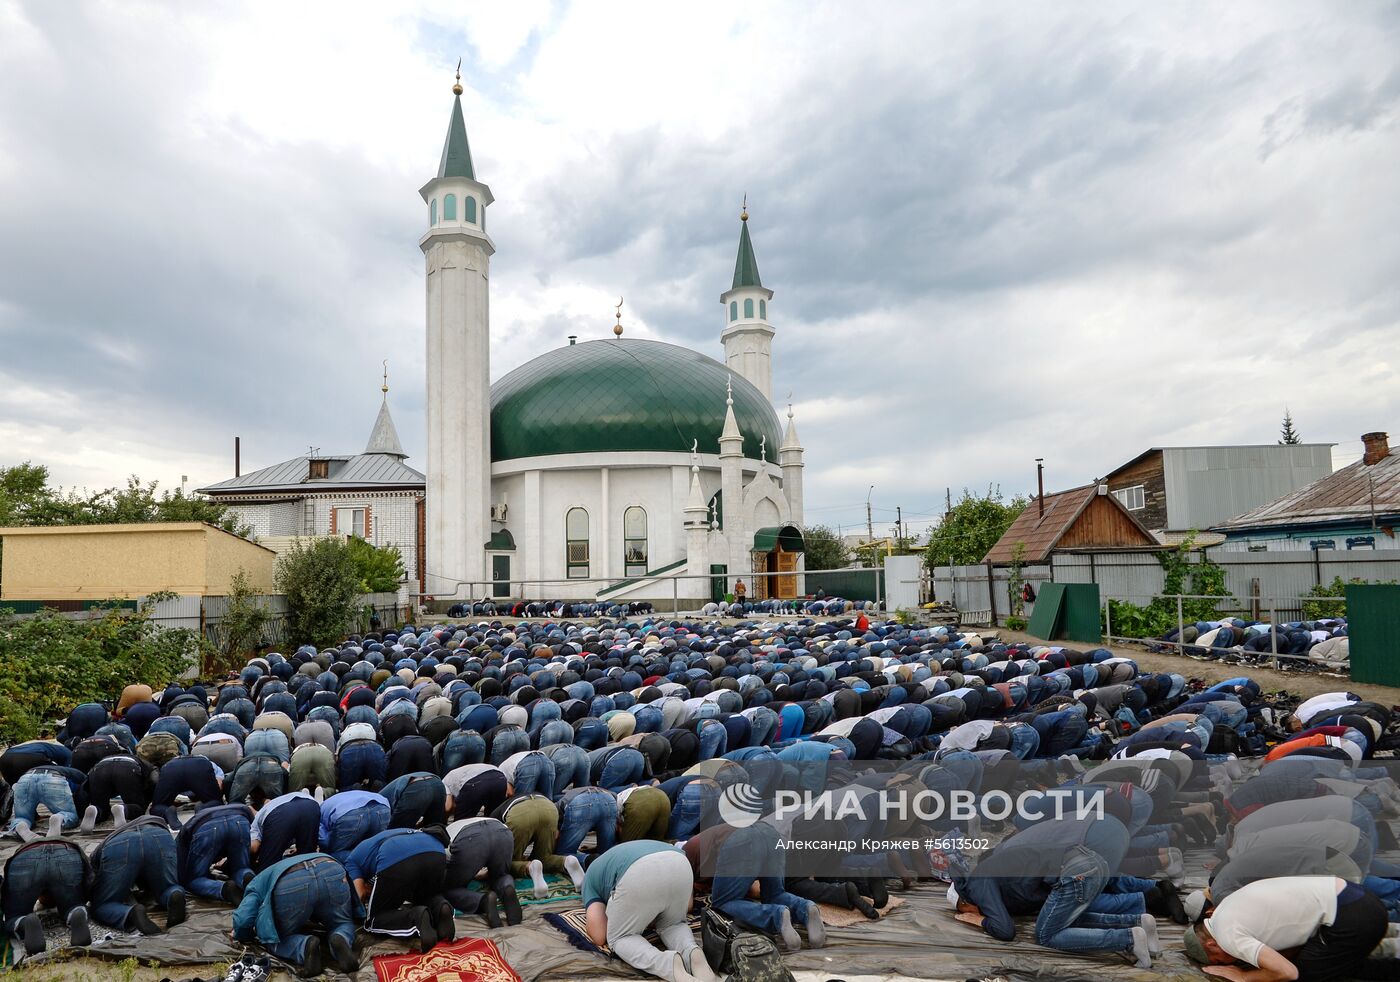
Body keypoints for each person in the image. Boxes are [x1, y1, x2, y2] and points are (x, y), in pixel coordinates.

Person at [1185, 876, 1394, 982]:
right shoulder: (1224, 910)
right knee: (1325, 965)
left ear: (1211, 944)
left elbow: (1288, 972)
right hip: (1357, 899)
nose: (1229, 962)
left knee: (1303, 976)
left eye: (1219, 961)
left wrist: (1243, 976)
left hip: (1352, 915)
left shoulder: (1227, 935)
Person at [582, 839, 717, 982]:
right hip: (680, 862)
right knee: (674, 924)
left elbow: (599, 935)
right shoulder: (623, 851)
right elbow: (688, 906)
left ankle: (668, 964)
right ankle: (693, 954)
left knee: (620, 938)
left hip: (639, 872)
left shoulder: (590, 876)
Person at [684, 822, 824, 951]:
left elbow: (687, 905)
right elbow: (752, 889)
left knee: (722, 904)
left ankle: (776, 916)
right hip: (769, 833)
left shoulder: (685, 854)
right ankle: (806, 908)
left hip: (742, 841)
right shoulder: (705, 846)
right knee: (775, 894)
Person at [232, 853, 362, 976]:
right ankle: (341, 937)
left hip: (290, 882)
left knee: (276, 940)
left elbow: (243, 920)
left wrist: (243, 935)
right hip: (330, 866)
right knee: (342, 923)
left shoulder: (254, 885)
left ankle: (304, 946)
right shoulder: (272, 870)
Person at [344, 827, 454, 953]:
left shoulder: (351, 862)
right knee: (425, 896)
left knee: (374, 920)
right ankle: (441, 909)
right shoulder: (371, 844)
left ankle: (416, 918)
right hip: (435, 849)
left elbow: (360, 894)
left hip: (395, 855)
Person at [88, 812, 187, 934]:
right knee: (168, 886)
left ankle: (130, 913)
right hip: (160, 835)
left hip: (119, 845)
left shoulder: (97, 855)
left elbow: (94, 882)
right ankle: (173, 893)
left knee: (102, 905)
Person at [493, 792, 585, 898]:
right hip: (549, 808)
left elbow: (498, 844)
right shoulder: (514, 800)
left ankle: (529, 867)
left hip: (520, 814)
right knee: (544, 857)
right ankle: (567, 861)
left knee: (508, 862)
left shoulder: (493, 818)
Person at [443, 817, 521, 927]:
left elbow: (447, 864)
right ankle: (507, 887)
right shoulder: (456, 826)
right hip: (502, 832)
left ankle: (483, 901)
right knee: (500, 876)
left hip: (469, 839)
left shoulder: (442, 837)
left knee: (450, 888)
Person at [177, 801, 256, 902]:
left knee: (194, 880)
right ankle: (248, 879)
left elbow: (181, 865)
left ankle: (223, 889)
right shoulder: (241, 808)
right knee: (241, 868)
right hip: (240, 820)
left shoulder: (184, 834)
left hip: (207, 826)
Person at [249, 788, 321, 872]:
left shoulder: (257, 819)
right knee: (308, 857)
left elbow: (254, 847)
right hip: (310, 804)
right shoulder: (278, 800)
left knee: (268, 866)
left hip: (279, 814)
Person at [319, 789, 391, 864]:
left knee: (336, 853)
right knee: (375, 848)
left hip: (348, 813)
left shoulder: (319, 809)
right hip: (382, 805)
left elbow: (324, 841)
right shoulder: (337, 798)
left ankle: (358, 867)